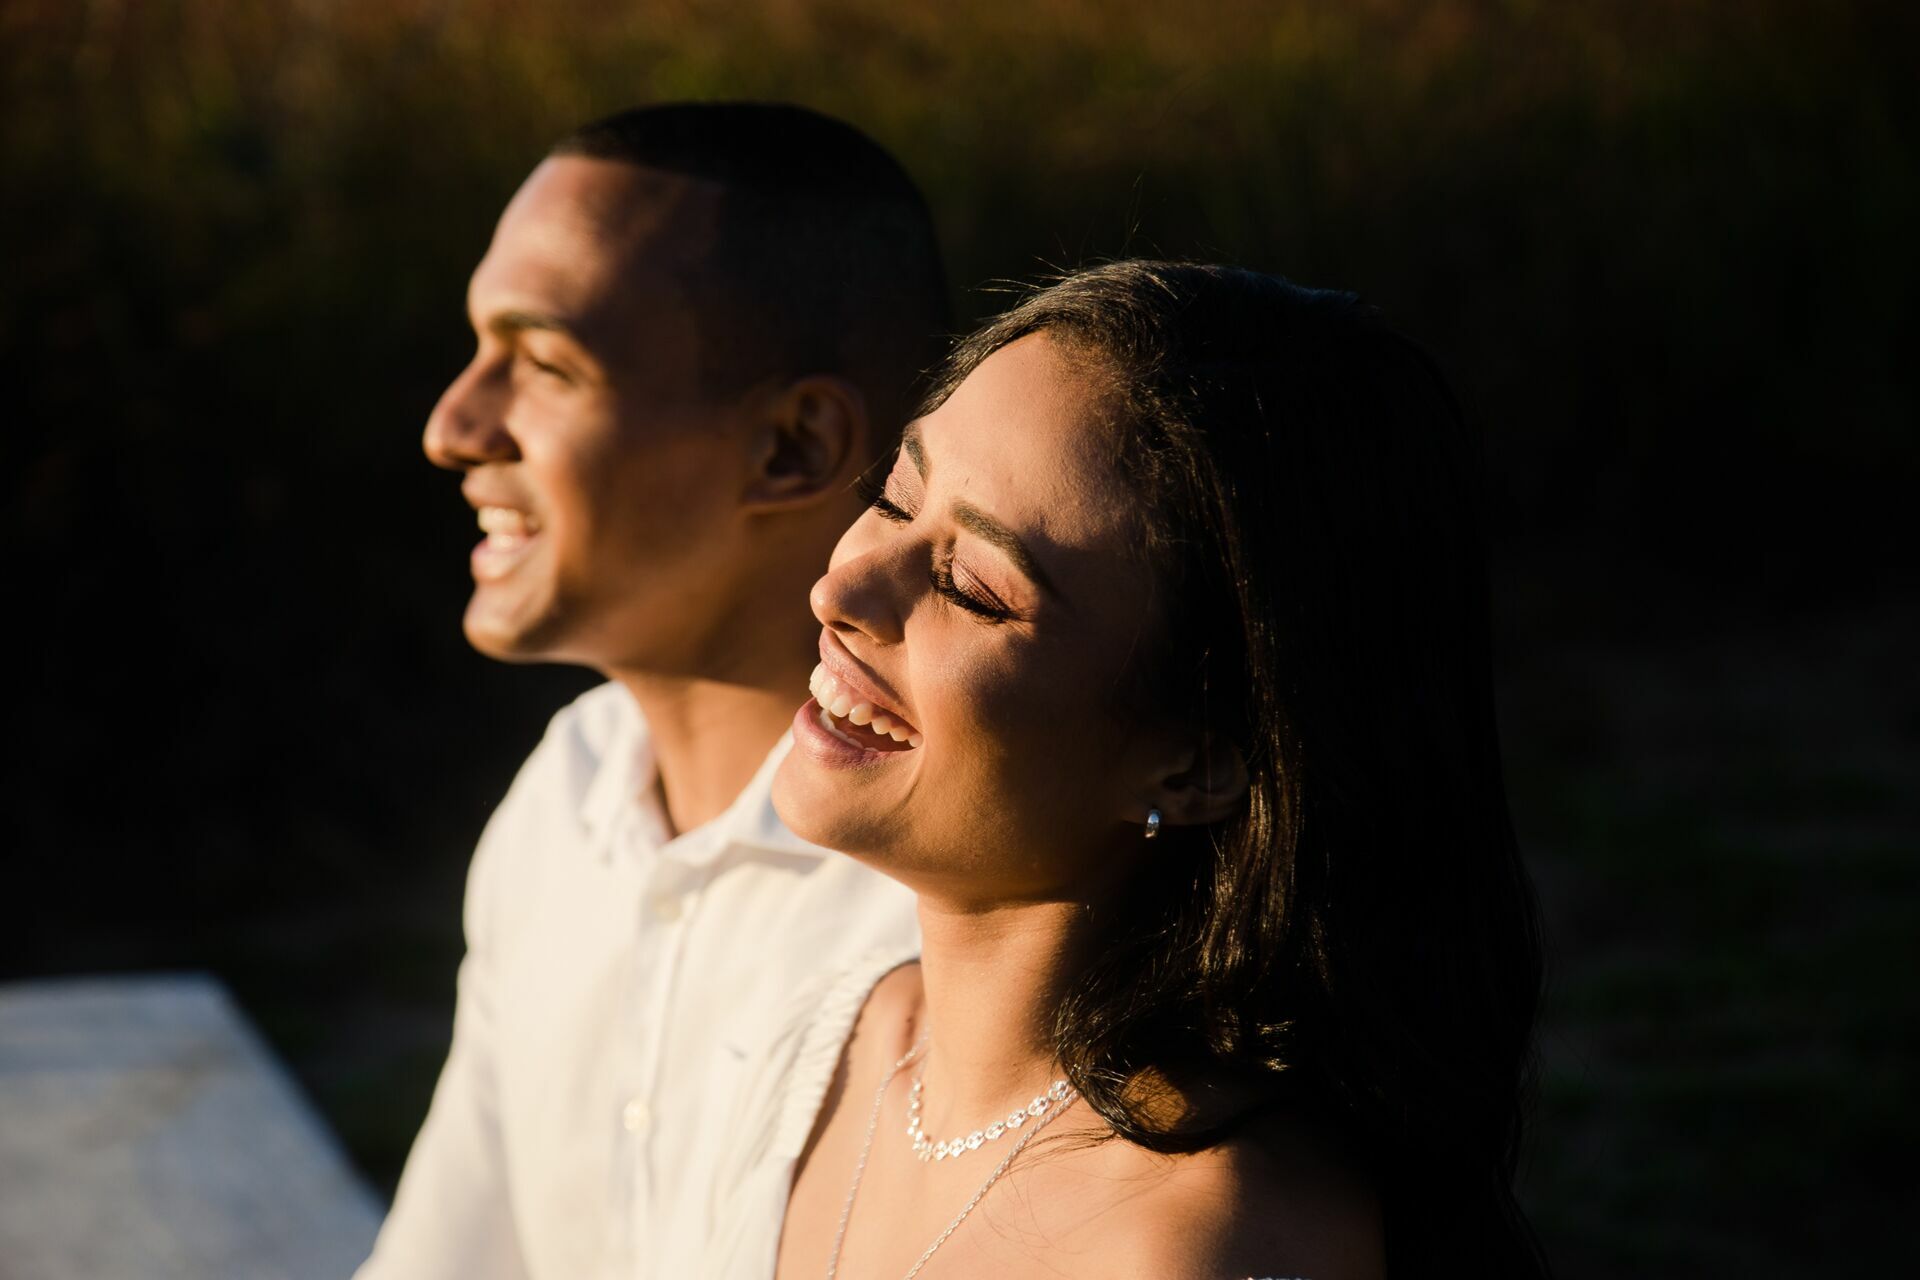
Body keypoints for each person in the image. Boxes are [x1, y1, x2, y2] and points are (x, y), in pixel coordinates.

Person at [690, 261, 1548, 1277]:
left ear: (1194, 766)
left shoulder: (1211, 1240)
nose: (843, 583)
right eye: (891, 494)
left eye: (972, 587)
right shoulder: (825, 1048)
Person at [355, 103, 948, 1280]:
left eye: (546, 364)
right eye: (479, 350)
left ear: (793, 445)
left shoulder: (953, 898)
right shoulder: (563, 798)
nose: (452, 426)